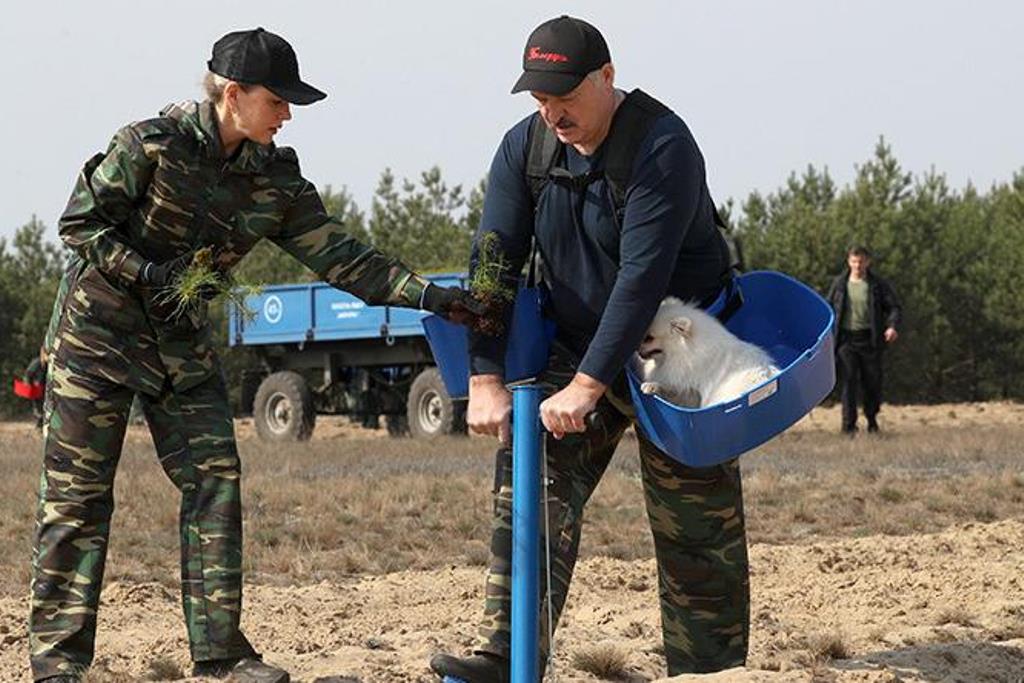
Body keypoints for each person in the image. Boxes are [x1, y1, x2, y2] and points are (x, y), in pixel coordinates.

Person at [30, 27, 480, 683]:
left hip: (179, 349)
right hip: (96, 338)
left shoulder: (275, 179)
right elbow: (80, 225)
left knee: (216, 479)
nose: (288, 113)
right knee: (77, 500)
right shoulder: (149, 144)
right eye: (278, 100)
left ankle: (222, 654)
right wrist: (150, 272)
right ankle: (58, 660)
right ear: (233, 94)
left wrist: (432, 297)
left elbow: (342, 256)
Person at [430, 16, 748, 681]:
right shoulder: (526, 149)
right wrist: (485, 377)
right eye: (540, 98)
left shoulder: (663, 146)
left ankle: (710, 670)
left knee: (695, 527)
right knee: (530, 478)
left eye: (566, 95)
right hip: (576, 342)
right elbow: (493, 265)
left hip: (677, 351)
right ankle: (506, 652)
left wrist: (590, 383)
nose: (553, 112)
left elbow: (642, 278)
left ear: (607, 77)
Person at [826, 245, 901, 434]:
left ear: (867, 262)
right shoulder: (839, 284)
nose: (857, 265)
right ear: (848, 262)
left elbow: (893, 307)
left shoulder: (877, 285)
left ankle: (872, 420)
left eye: (861, 261)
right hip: (845, 341)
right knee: (849, 382)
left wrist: (891, 327)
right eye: (854, 261)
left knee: (872, 383)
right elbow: (827, 308)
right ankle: (848, 426)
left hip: (870, 340)